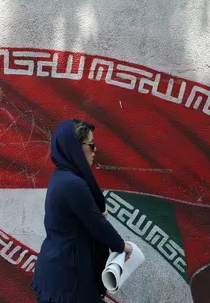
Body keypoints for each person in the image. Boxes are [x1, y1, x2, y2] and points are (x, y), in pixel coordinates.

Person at [31, 119, 133, 303]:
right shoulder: (73, 183)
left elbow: (83, 216)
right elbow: (97, 223)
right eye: (91, 144)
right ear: (75, 148)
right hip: (68, 277)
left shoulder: (62, 176)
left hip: (60, 268)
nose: (95, 150)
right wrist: (122, 246)